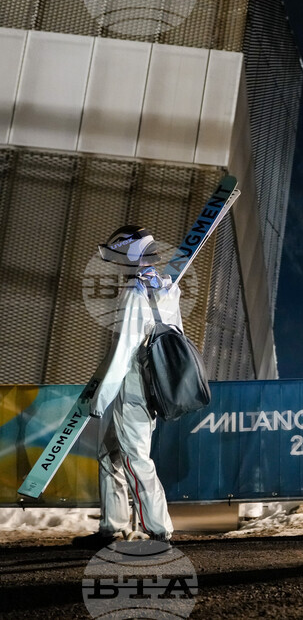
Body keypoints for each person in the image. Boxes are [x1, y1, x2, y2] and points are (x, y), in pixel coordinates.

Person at [73, 226, 180, 548]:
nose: (116, 265)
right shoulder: (165, 287)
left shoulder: (135, 293)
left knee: (135, 460)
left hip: (130, 389)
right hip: (147, 386)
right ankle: (113, 527)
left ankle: (158, 530)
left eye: (118, 258)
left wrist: (100, 397)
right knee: (110, 454)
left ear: (129, 256)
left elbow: (124, 352)